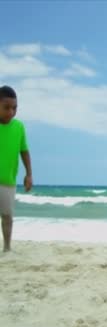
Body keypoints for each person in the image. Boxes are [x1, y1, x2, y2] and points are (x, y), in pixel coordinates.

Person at [0, 85, 33, 252]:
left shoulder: (18, 127)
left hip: (8, 181)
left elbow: (24, 151)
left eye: (14, 108)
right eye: (7, 108)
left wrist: (28, 174)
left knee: (7, 216)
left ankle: (7, 247)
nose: (11, 112)